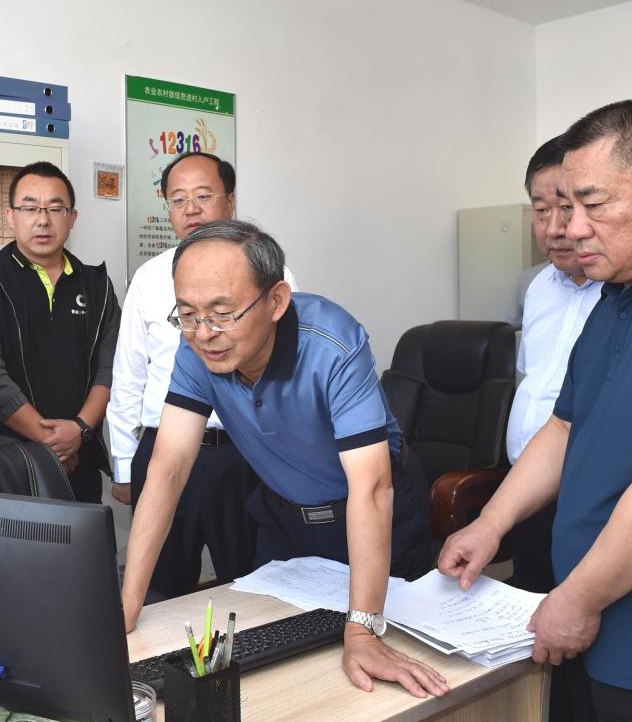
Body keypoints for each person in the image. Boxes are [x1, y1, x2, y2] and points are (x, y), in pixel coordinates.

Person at [439, 99, 632, 721]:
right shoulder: (617, 298)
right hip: (588, 623)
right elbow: (564, 426)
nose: (570, 229)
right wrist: (490, 524)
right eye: (564, 207)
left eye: (593, 205)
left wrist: (576, 600)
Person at [122, 220, 446, 697]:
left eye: (222, 313)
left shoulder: (332, 342)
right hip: (284, 521)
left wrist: (362, 631)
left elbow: (372, 487)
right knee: (279, 669)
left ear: (275, 300)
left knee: (382, 678)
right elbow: (168, 469)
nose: (203, 333)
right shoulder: (197, 352)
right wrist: (128, 603)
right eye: (187, 314)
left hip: (374, 519)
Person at [108, 152, 296, 599]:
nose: (190, 209)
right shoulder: (149, 277)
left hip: (244, 451)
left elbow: (290, 369)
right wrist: (123, 463)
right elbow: (129, 374)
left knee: (254, 584)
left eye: (203, 196)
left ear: (230, 201)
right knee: (158, 587)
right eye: (178, 199)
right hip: (164, 449)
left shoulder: (270, 273)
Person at [508, 137, 601, 722]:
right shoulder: (536, 287)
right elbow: (533, 382)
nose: (557, 227)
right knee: (530, 630)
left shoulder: (622, 293)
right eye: (542, 209)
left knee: (584, 633)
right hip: (526, 487)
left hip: (589, 496)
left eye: (568, 207)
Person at [0, 161, 120, 503]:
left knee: (83, 537)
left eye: (55, 208)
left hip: (80, 458)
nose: (43, 220)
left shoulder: (97, 285)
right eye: (30, 208)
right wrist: (53, 444)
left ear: (72, 217)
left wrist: (79, 430)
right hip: (7, 462)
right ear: (10, 216)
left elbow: (110, 369)